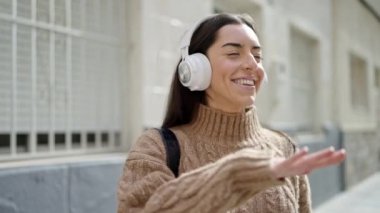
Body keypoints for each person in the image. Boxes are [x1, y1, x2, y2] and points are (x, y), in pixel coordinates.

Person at [117, 13, 346, 213]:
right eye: (233, 54)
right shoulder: (155, 148)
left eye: (257, 57)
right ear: (196, 68)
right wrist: (235, 176)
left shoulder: (284, 147)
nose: (252, 65)